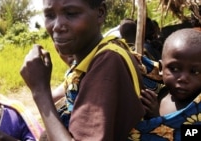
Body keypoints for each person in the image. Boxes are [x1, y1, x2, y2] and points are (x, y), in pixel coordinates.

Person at [20, 0, 145, 140]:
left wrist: (40, 91)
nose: (57, 26)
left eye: (71, 13)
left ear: (100, 13)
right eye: (50, 15)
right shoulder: (88, 64)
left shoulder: (108, 61)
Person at [129, 28, 201, 140]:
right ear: (161, 68)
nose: (183, 78)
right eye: (175, 69)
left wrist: (157, 119)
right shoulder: (156, 95)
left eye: (195, 71)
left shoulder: (198, 107)